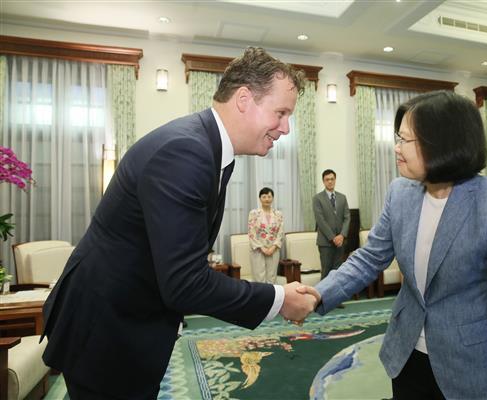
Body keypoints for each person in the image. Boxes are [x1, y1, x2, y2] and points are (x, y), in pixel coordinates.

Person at [41, 47, 318, 399]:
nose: (286, 128)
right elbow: (185, 283)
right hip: (106, 328)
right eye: (281, 113)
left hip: (126, 321)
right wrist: (279, 299)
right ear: (244, 99)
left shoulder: (208, 147)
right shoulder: (186, 152)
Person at [299, 91, 487, 399]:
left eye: (405, 139)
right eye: (397, 137)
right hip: (407, 354)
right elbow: (369, 258)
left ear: (442, 143)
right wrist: (318, 293)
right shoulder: (400, 193)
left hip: (469, 364)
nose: (396, 148)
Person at [312, 169, 350, 280]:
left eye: (332, 179)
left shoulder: (342, 197)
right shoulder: (317, 198)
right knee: (326, 272)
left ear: (335, 180)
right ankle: (322, 292)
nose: (330, 181)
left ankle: (336, 292)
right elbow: (320, 221)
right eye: (327, 179)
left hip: (340, 242)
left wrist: (342, 235)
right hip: (325, 242)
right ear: (323, 181)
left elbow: (347, 217)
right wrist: (333, 238)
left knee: (338, 272)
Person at [248, 187, 284, 283]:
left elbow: (280, 233)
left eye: (269, 196)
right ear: (260, 198)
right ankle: (260, 294)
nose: (267, 199)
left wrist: (273, 247)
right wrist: (262, 248)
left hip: (273, 250)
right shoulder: (254, 213)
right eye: (264, 197)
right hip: (258, 250)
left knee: (272, 277)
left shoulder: (278, 214)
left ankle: (271, 293)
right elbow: (251, 233)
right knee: (259, 277)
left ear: (272, 198)